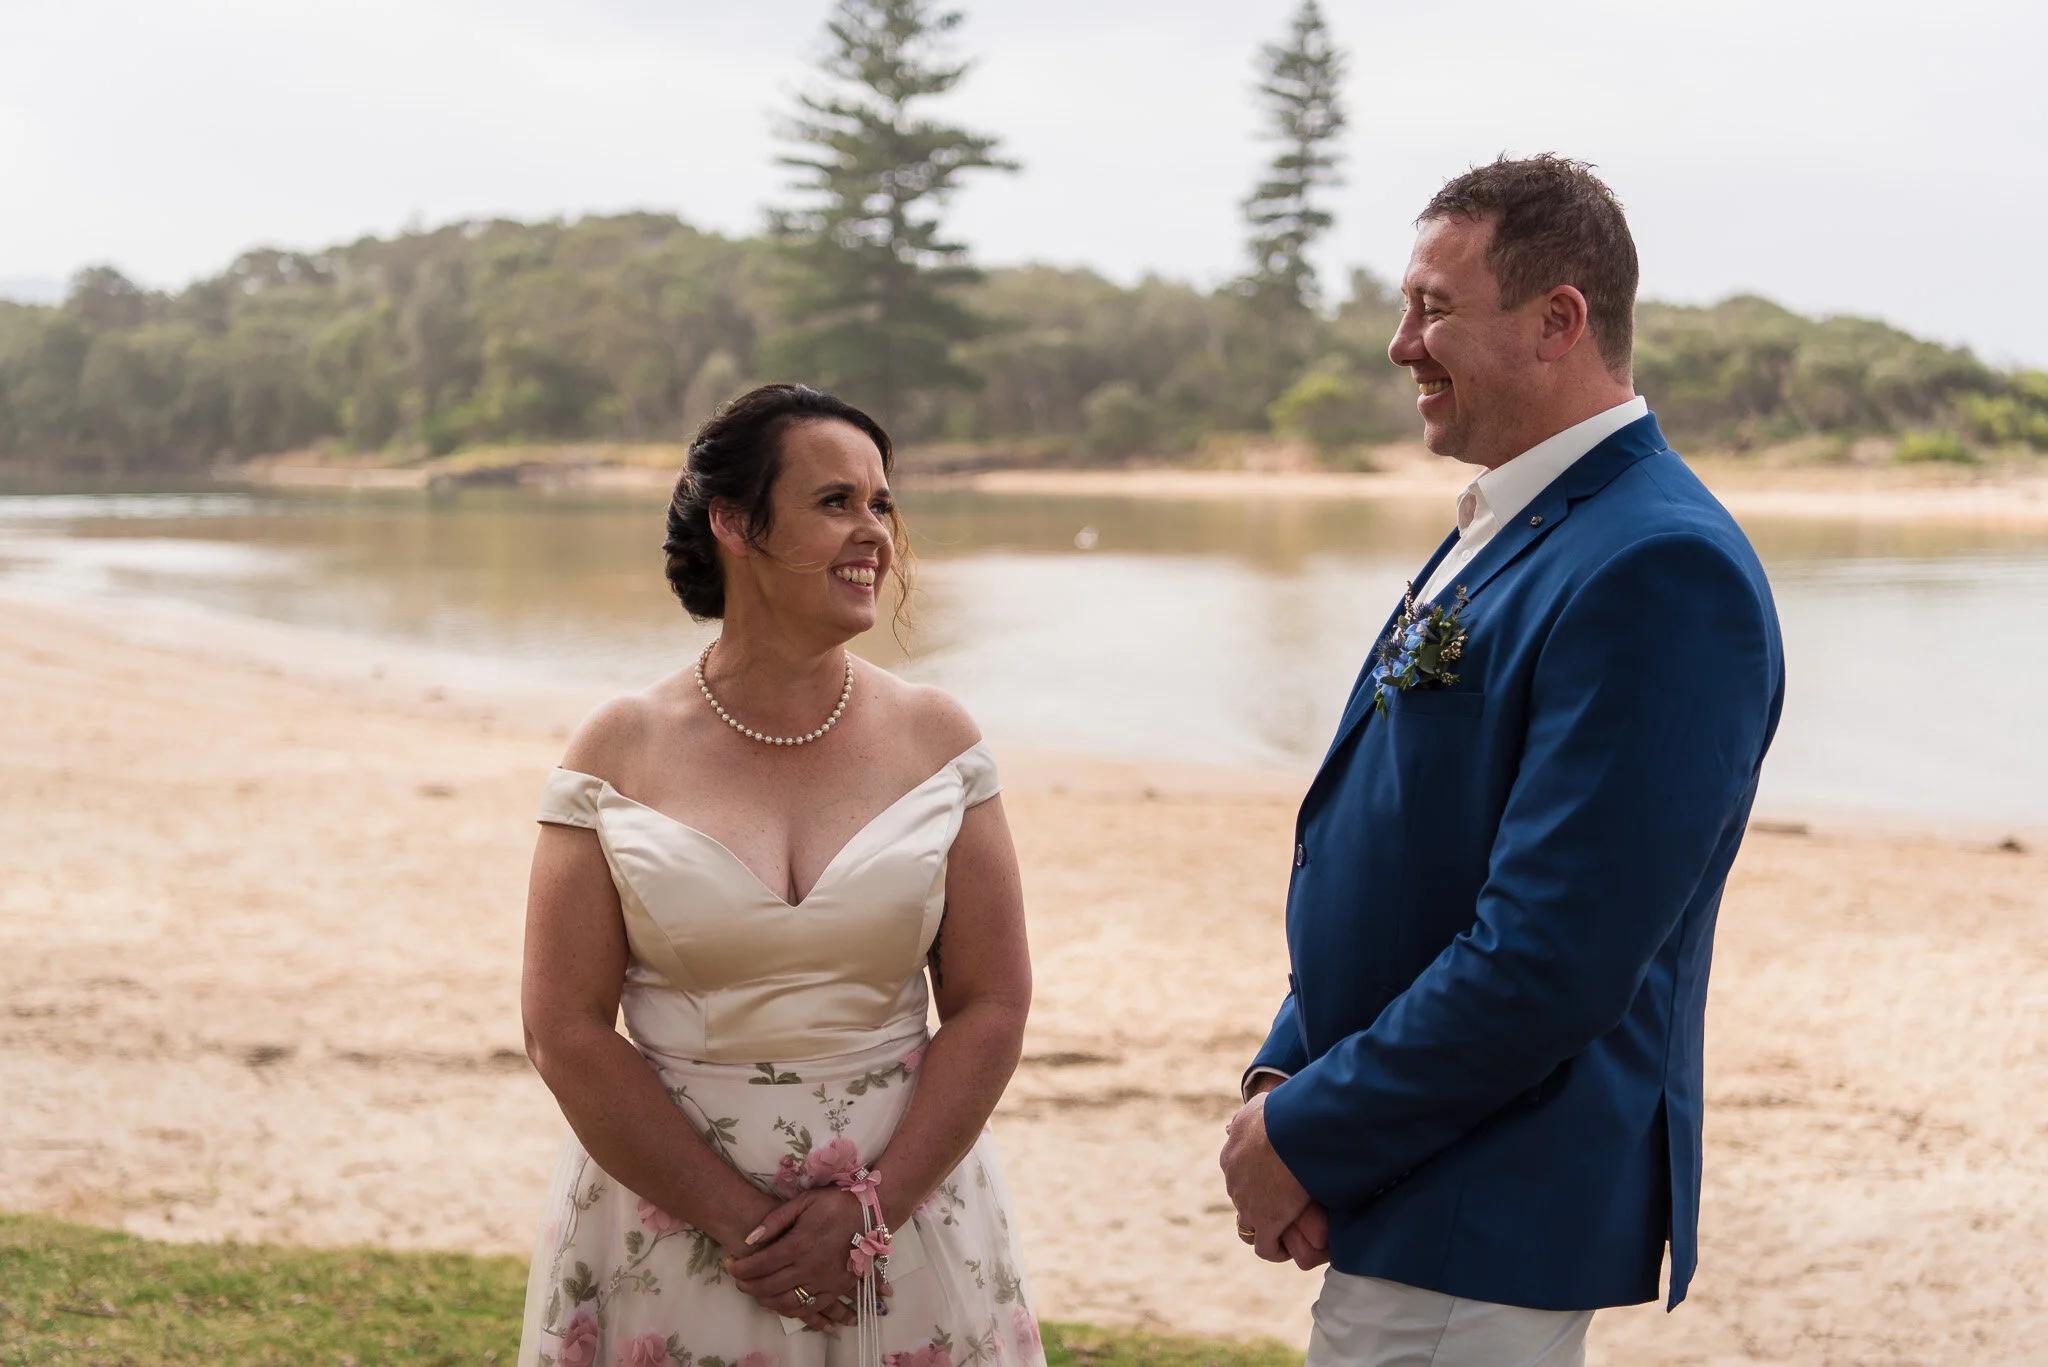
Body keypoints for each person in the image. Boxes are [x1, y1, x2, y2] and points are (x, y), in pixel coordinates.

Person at [1218, 156, 1786, 1366]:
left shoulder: (1655, 568)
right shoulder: (1517, 521)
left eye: (1430, 307)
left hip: (1489, 1202)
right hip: (1412, 1178)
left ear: (1556, 321)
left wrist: (1309, 1129)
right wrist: (1285, 1067)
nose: (1396, 344)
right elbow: (1415, 847)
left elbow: (1549, 956)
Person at [515, 383, 1044, 1367]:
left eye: (880, 503)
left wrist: (868, 1205)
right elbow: (564, 1027)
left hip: (907, 1218)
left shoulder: (939, 737)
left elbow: (993, 1000)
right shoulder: (617, 747)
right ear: (732, 522)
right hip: (670, 1221)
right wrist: (744, 1227)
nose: (874, 534)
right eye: (834, 501)